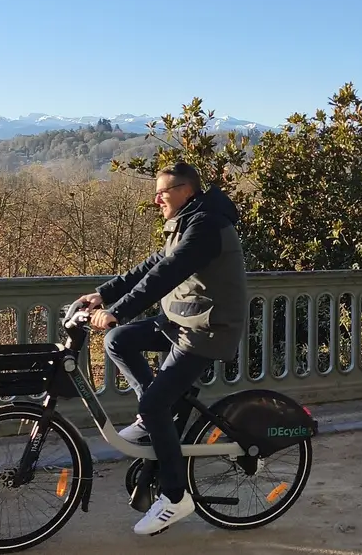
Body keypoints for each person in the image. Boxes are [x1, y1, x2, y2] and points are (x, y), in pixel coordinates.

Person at [78, 161, 247, 536]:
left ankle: (174, 496)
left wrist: (116, 311)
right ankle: (156, 418)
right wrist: (103, 294)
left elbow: (166, 276)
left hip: (207, 329)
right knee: (118, 341)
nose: (156, 200)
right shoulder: (187, 219)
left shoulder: (206, 226)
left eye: (163, 192)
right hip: (181, 321)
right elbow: (154, 264)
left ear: (186, 191)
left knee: (152, 402)